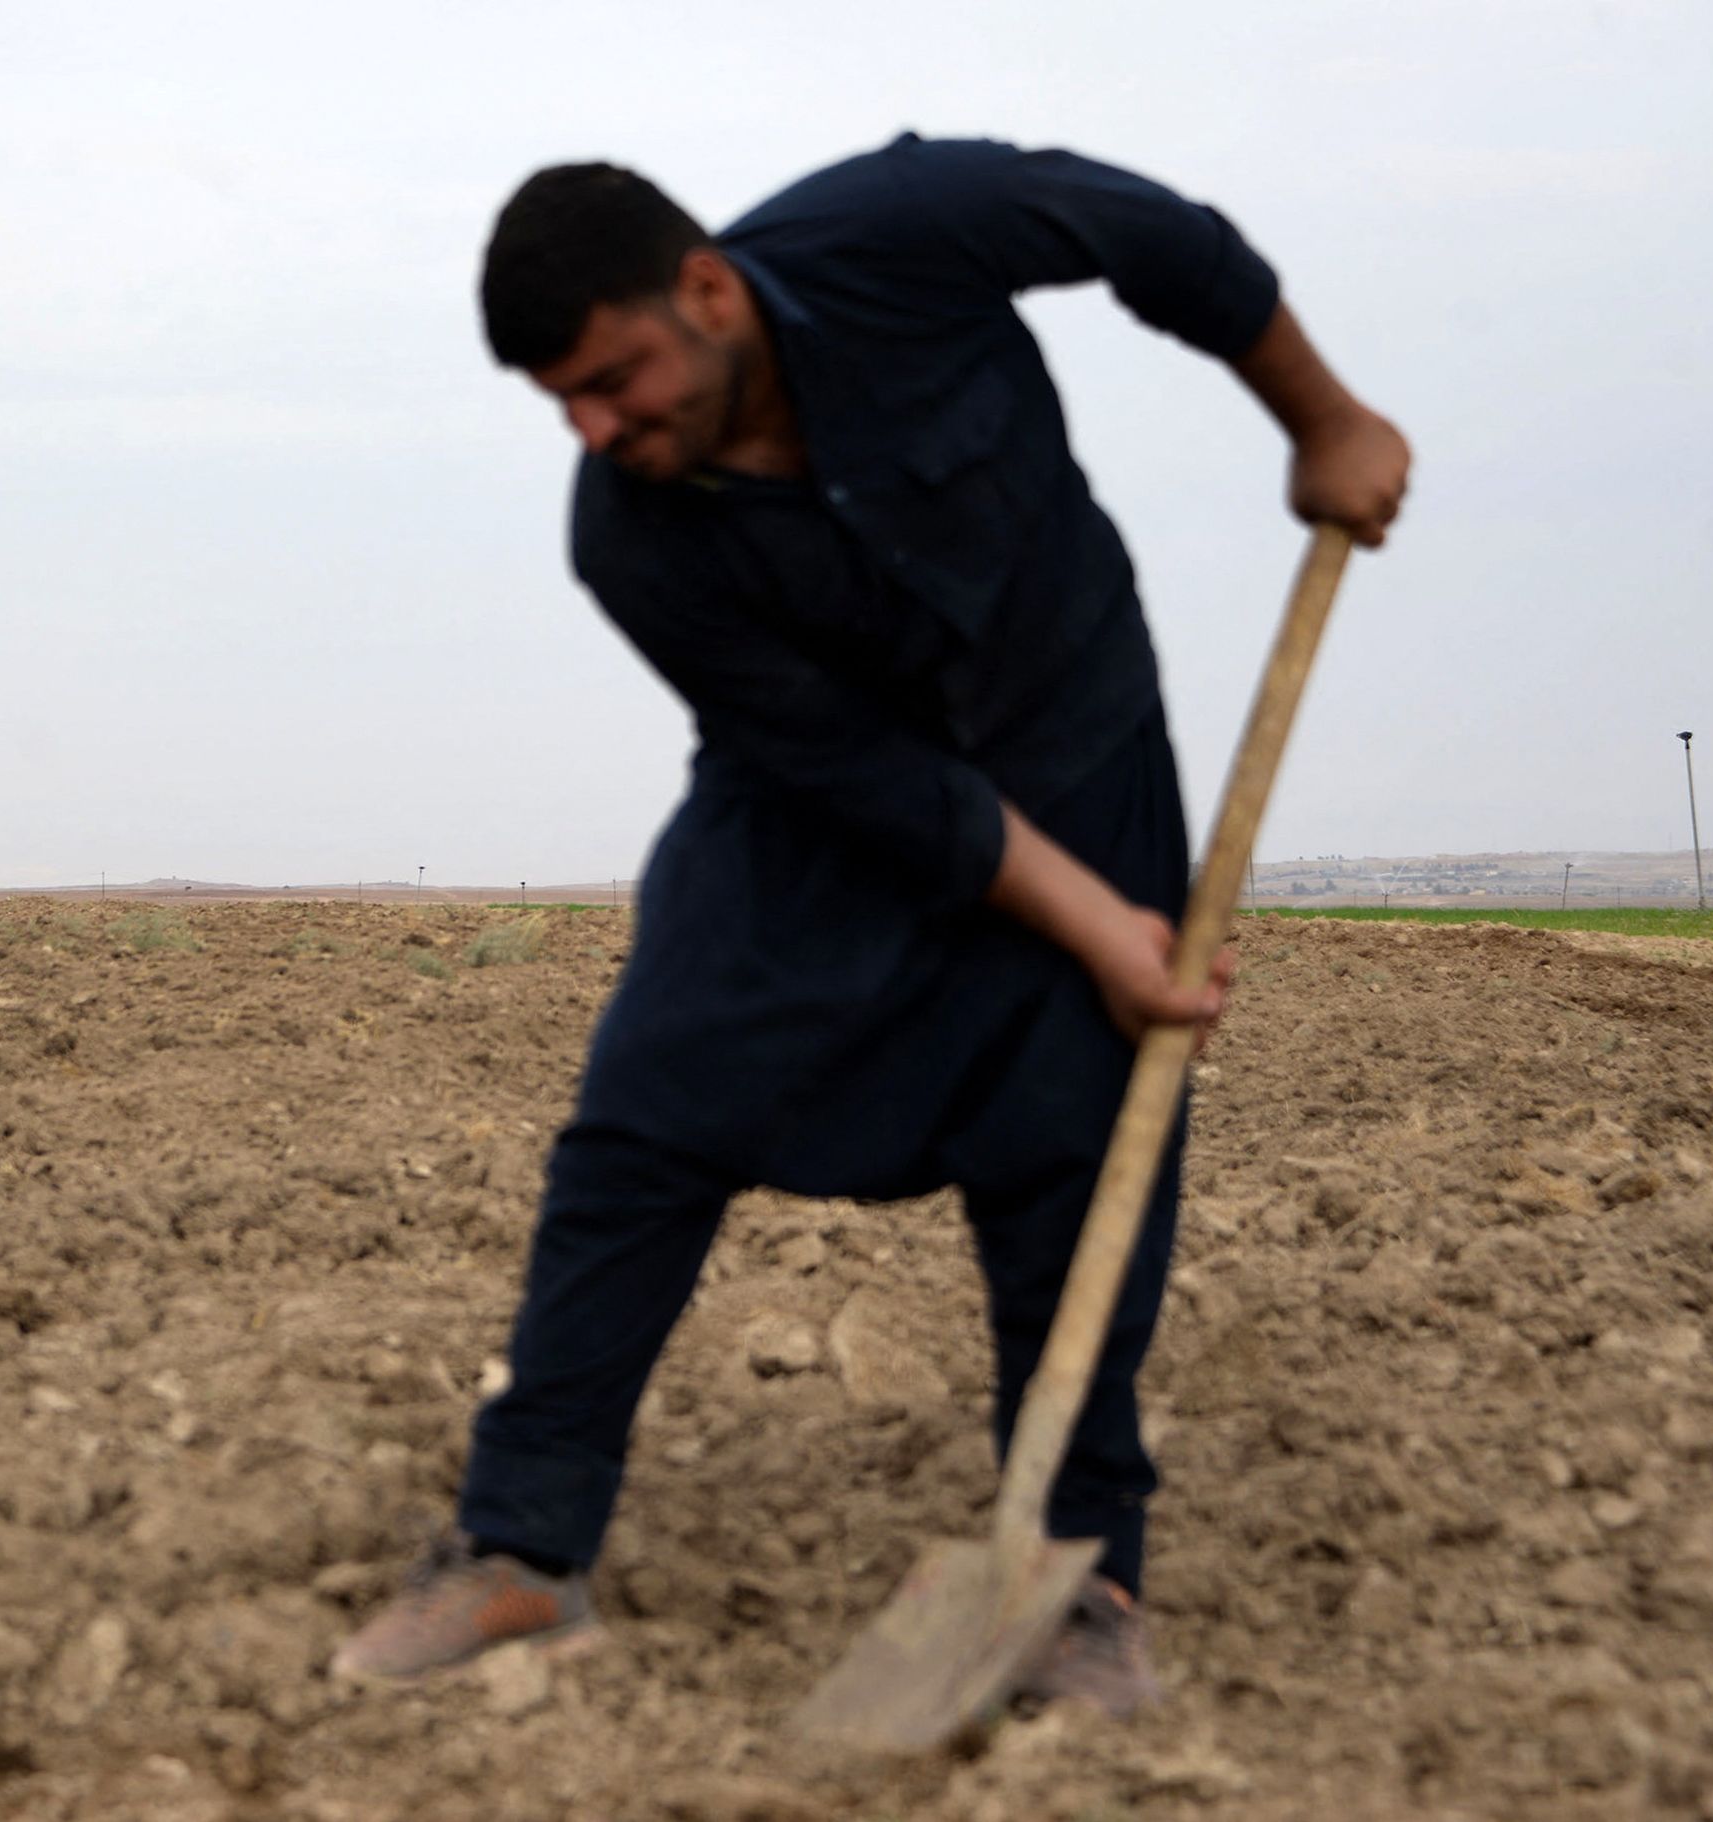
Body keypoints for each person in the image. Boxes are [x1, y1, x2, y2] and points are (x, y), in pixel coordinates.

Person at [329, 136, 1409, 1715]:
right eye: (561, 402)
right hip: (816, 809)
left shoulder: (902, 230)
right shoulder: (626, 537)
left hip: (1075, 738)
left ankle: (1084, 1574)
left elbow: (1163, 241)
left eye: (613, 379)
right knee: (646, 1116)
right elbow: (864, 777)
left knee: (1085, 1133)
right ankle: (518, 1547)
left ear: (706, 289)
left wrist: (1321, 417)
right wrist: (1093, 921)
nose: (594, 428)